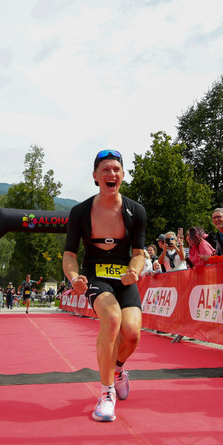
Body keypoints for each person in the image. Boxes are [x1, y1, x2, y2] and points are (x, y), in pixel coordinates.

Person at [63, 149, 147, 422]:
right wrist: (74, 278)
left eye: (116, 170)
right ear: (96, 177)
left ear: (122, 175)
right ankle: (106, 392)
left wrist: (134, 271)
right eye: (106, 170)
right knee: (111, 319)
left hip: (124, 277)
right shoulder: (80, 211)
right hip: (95, 275)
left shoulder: (136, 211)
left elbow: (138, 252)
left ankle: (119, 369)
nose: (112, 174)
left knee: (132, 334)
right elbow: (70, 255)